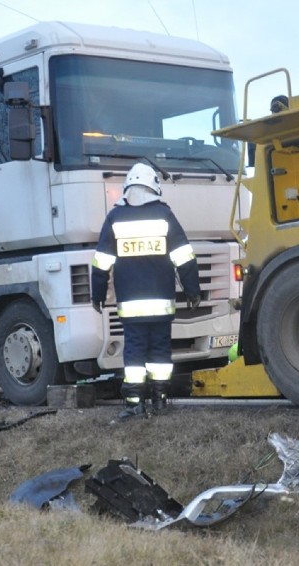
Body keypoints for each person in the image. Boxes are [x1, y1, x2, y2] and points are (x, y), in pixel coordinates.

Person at [91, 162, 201, 421]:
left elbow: (101, 262)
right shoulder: (165, 216)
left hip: (131, 306)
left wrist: (97, 295)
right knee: (161, 353)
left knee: (135, 353)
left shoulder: (115, 218)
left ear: (128, 188)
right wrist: (193, 291)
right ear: (155, 187)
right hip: (162, 304)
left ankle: (134, 402)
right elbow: (185, 257)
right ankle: (160, 399)